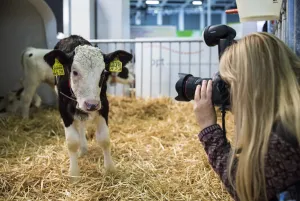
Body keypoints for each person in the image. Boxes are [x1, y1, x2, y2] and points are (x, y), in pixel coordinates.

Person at [193, 32, 300, 201]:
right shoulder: (289, 116)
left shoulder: (285, 134)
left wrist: (208, 128)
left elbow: (245, 190)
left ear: (250, 84)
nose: (230, 94)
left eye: (230, 85)